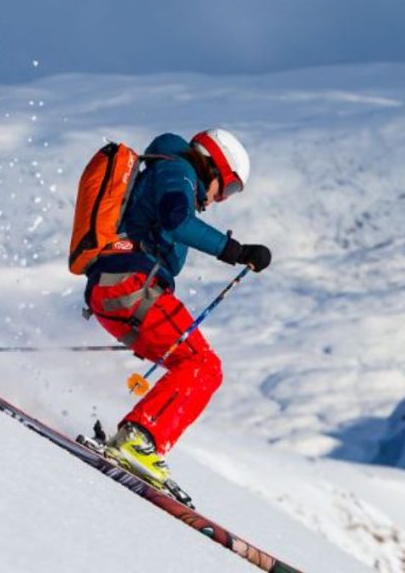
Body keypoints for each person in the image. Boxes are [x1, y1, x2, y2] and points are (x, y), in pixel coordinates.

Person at [83, 128, 271, 487]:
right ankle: (139, 439)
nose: (221, 200)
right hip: (131, 286)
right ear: (214, 166)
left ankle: (137, 439)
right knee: (203, 365)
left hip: (111, 291)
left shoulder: (168, 170)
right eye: (229, 189)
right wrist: (237, 251)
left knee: (188, 363)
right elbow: (176, 220)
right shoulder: (178, 171)